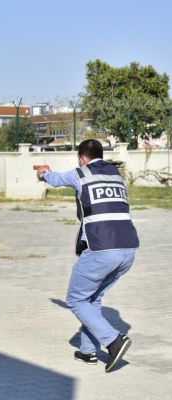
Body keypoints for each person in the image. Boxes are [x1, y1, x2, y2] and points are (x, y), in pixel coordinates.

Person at [36, 139, 139, 372]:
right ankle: (88, 351)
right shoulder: (117, 177)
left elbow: (56, 179)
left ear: (83, 159)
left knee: (76, 299)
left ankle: (113, 341)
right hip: (129, 249)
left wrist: (43, 174)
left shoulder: (80, 174)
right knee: (92, 299)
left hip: (102, 249)